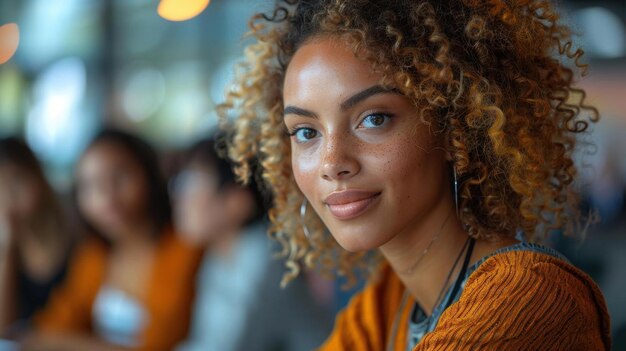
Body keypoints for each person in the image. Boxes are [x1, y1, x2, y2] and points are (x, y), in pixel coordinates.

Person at [218, 0, 612, 350]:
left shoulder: (529, 299)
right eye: (306, 132)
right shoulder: (385, 305)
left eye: (374, 119)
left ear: (456, 127)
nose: (331, 162)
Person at [22, 129, 203, 351]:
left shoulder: (183, 247)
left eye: (119, 176)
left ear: (148, 174)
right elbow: (48, 330)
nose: (106, 195)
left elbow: (160, 345)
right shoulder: (94, 254)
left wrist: (71, 344)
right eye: (90, 185)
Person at [172, 136, 333, 351]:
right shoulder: (220, 255)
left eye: (192, 183)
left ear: (237, 203)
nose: (180, 197)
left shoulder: (267, 264)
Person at [0, 137, 73, 335]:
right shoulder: (7, 248)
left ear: (38, 177)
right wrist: (9, 247)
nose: (8, 198)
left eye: (16, 182)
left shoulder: (76, 238)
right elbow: (3, 327)